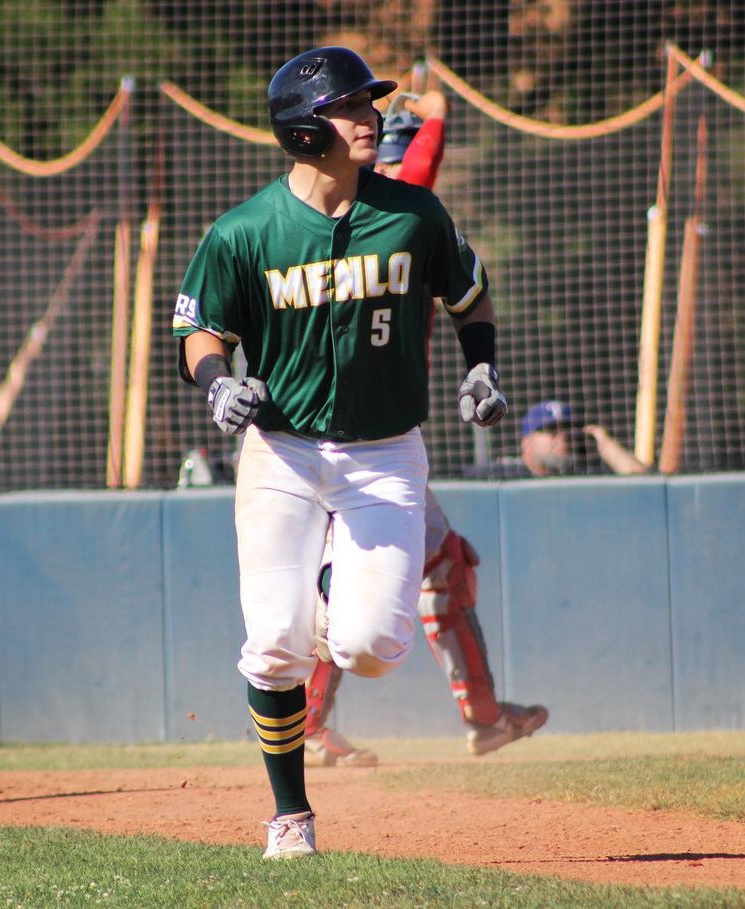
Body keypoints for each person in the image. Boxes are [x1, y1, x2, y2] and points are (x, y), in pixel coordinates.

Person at [171, 46, 507, 859]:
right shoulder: (245, 230)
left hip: (386, 452)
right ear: (301, 130)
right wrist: (218, 381)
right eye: (351, 107)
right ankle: (291, 815)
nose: (373, 117)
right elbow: (196, 329)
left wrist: (482, 365)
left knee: (371, 648)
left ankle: (328, 594)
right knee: (274, 647)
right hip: (281, 453)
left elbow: (468, 295)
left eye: (371, 102)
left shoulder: (413, 214)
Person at [303, 87, 549, 770]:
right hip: (336, 441)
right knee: (341, 591)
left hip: (373, 441)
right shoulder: (379, 202)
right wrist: (436, 115)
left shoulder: (387, 216)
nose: (398, 146)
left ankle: (484, 717)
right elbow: (417, 174)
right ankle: (307, 724)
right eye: (394, 137)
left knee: (442, 565)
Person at [514, 399, 650, 478]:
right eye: (551, 430)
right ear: (526, 443)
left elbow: (645, 486)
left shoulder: (585, 476)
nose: (563, 436)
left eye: (568, 428)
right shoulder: (506, 475)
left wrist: (606, 445)